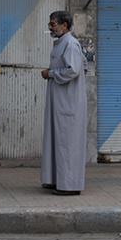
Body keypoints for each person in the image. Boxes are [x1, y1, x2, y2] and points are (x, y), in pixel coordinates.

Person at [40, 10, 88, 196]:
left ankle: (69, 185)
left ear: (64, 26)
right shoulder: (61, 44)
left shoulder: (70, 44)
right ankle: (55, 180)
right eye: (50, 24)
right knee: (56, 140)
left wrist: (51, 73)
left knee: (67, 144)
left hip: (69, 103)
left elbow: (73, 70)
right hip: (60, 101)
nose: (50, 27)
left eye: (53, 24)